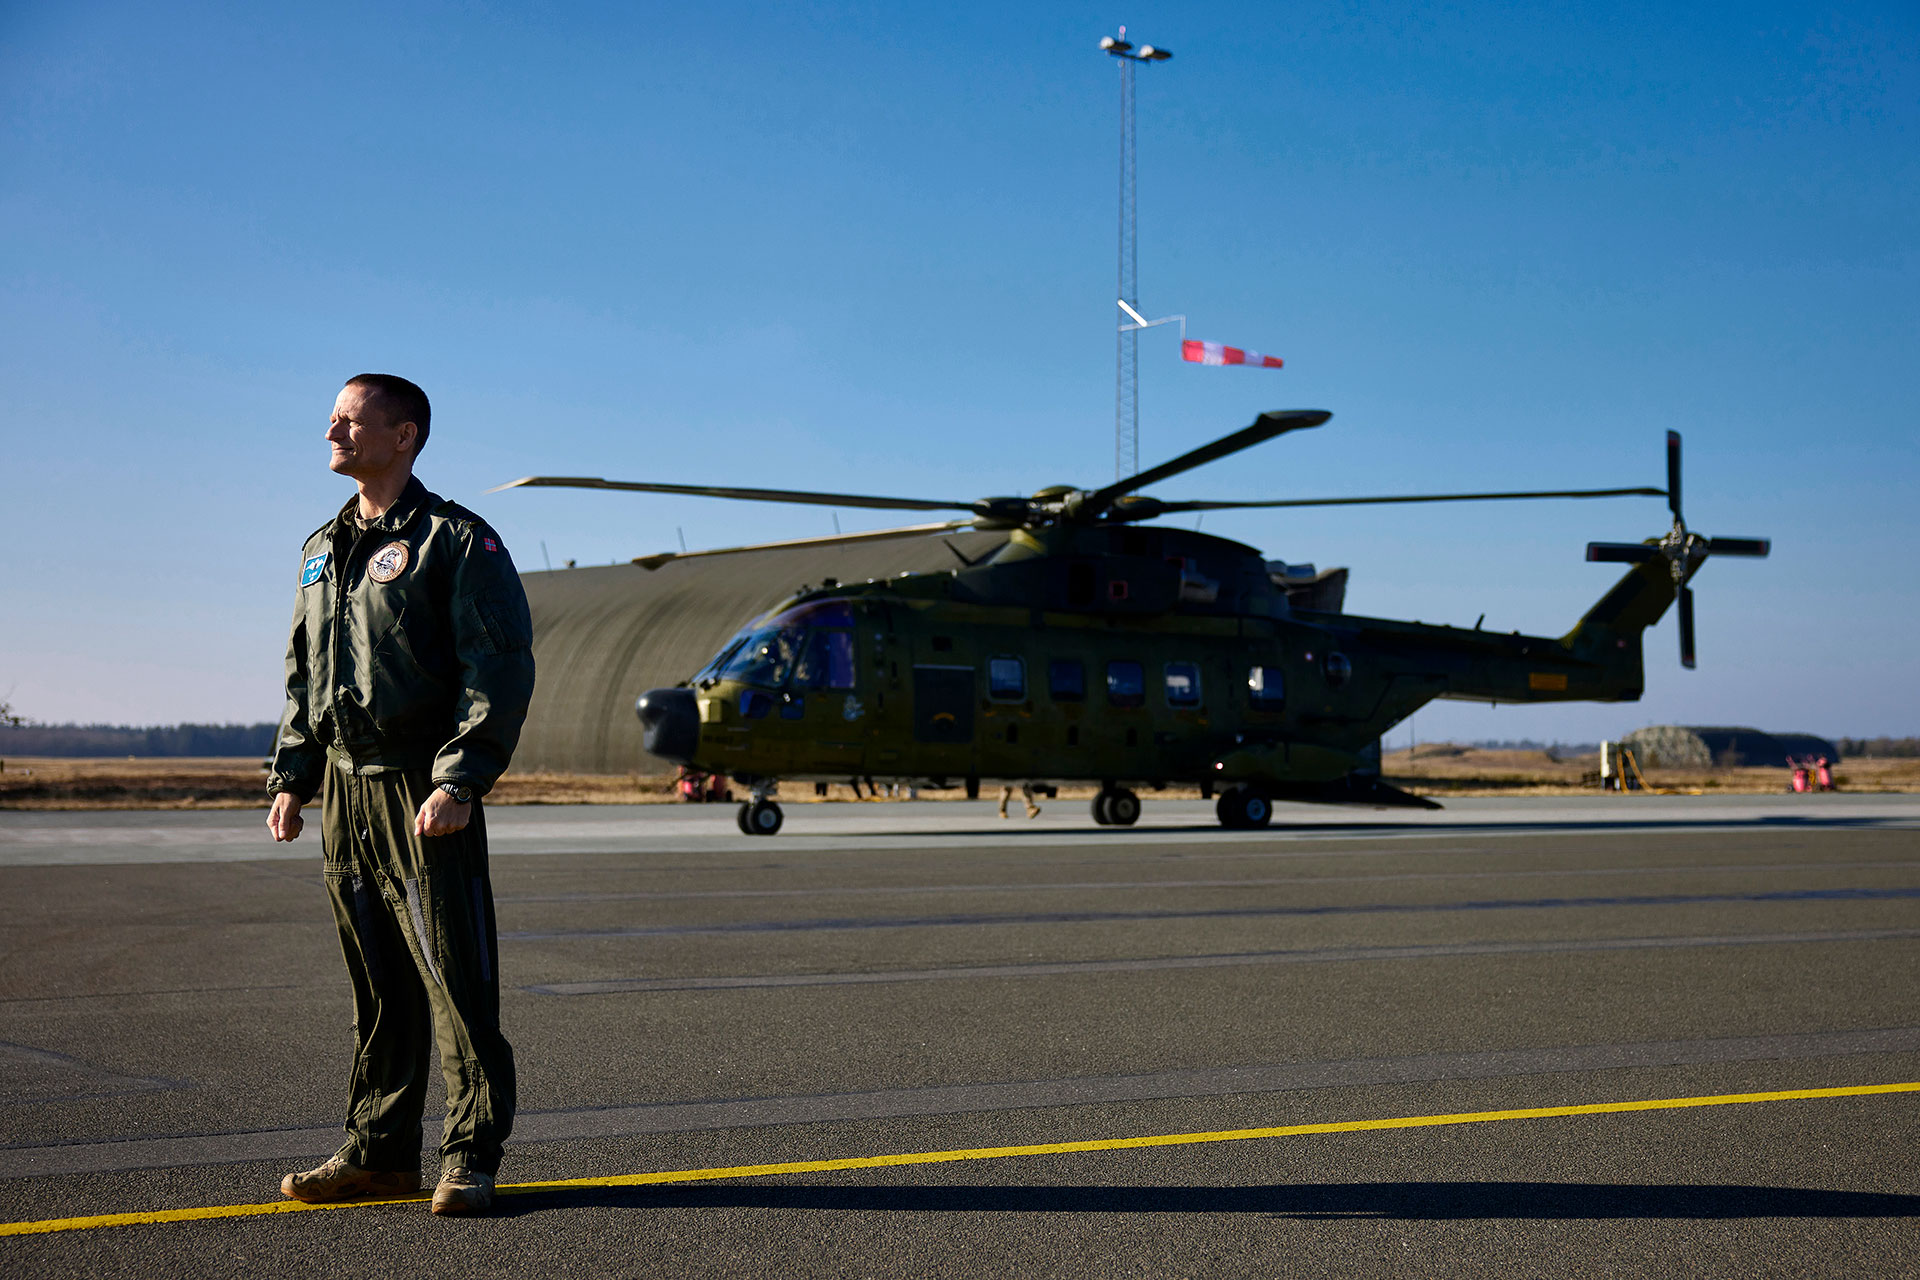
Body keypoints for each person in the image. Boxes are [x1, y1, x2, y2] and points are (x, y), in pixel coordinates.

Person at [266, 374, 535, 1216]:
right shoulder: (320, 546)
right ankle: (380, 1153)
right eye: (333, 419)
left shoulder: (455, 540)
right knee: (377, 983)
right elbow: (305, 672)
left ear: (405, 434)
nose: (331, 432)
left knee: (456, 978)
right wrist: (293, 775)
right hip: (345, 792)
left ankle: (471, 1153)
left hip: (423, 787)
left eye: (349, 419)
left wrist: (462, 775)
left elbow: (496, 666)